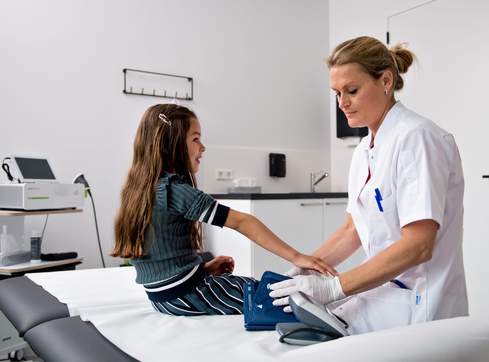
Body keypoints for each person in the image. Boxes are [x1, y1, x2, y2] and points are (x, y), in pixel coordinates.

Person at [270, 36, 468, 334]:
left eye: (352, 91)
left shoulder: (417, 138)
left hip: (420, 303)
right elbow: (353, 229)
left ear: (386, 80)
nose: (342, 103)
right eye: (337, 93)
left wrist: (334, 287)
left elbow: (419, 246)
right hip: (382, 293)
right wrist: (308, 267)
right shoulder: (365, 149)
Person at [111, 103, 335, 316]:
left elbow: (160, 258)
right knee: (284, 297)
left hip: (164, 298)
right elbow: (242, 222)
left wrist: (204, 270)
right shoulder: (173, 190)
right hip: (187, 294)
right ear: (168, 146)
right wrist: (297, 257)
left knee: (258, 286)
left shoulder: (140, 189)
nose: (202, 147)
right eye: (195, 139)